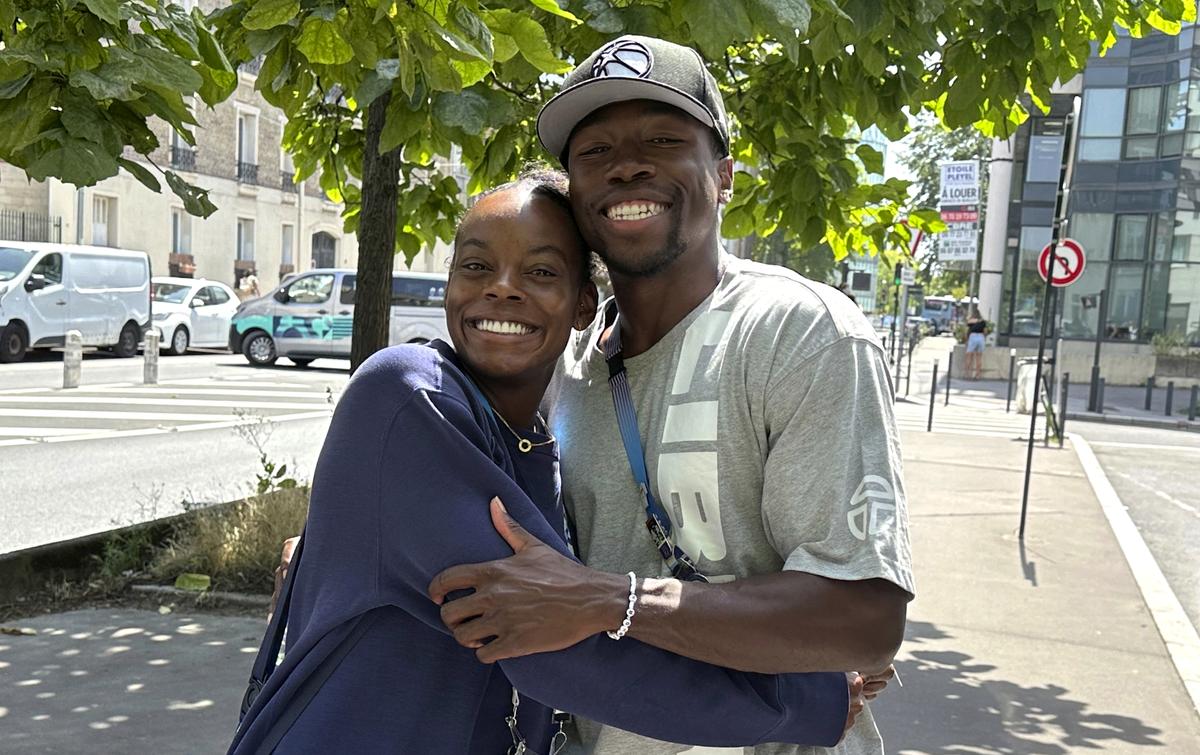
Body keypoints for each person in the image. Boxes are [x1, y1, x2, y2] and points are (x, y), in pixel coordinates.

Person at [233, 171, 865, 754]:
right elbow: (554, 652)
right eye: (476, 266)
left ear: (584, 307)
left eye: (540, 273)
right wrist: (807, 700)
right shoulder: (409, 393)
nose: (501, 287)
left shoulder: (535, 439)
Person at [427, 35, 914, 755]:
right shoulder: (571, 362)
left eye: (662, 137)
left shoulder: (799, 333)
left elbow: (865, 618)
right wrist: (336, 545)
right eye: (594, 152)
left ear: (724, 177)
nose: (626, 164)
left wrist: (610, 602)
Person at [965, 311, 987, 379]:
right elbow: (985, 331)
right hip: (981, 337)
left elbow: (967, 329)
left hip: (973, 336)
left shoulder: (971, 321)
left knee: (969, 356)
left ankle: (967, 374)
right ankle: (978, 375)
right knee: (979, 357)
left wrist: (966, 339)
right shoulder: (983, 322)